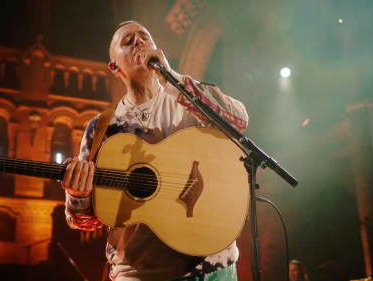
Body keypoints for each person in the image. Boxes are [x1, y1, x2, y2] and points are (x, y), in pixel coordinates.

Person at [62, 20, 249, 281]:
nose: (139, 41)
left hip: (211, 268)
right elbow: (85, 221)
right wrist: (77, 196)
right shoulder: (102, 129)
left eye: (145, 38)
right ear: (115, 68)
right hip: (140, 272)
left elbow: (239, 121)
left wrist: (173, 79)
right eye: (128, 41)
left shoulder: (187, 100)